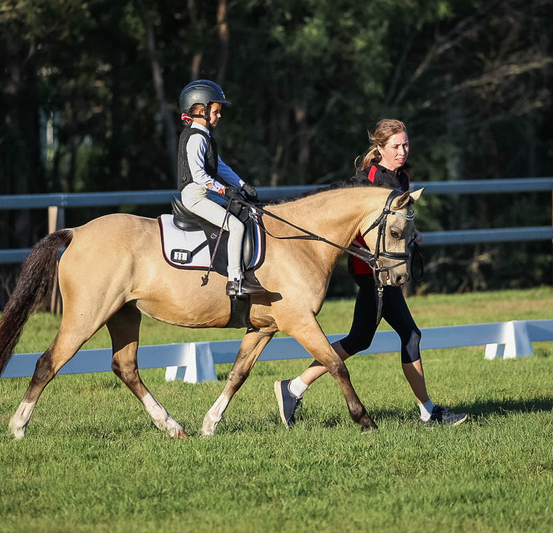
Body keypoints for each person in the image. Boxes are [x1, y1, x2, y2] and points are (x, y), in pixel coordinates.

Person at [274, 119, 468, 427]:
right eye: (396, 146)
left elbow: (396, 221)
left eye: (406, 144)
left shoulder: (402, 176)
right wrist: (371, 255)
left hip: (386, 268)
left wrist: (412, 234)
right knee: (410, 334)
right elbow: (348, 228)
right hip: (371, 271)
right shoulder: (368, 181)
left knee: (359, 339)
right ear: (380, 148)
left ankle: (294, 387)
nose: (402, 151)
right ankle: (428, 412)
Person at [177, 79, 266, 297]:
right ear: (201, 111)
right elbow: (199, 176)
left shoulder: (205, 137)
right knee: (236, 226)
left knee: (246, 210)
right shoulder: (196, 138)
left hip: (205, 193)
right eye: (216, 111)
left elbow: (221, 168)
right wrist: (224, 190)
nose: (219, 116)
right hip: (196, 196)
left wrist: (242, 185)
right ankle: (235, 280)